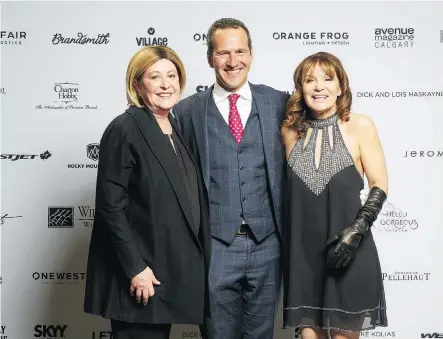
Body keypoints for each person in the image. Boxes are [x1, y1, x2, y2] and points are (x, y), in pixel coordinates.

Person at [83, 46, 211, 339]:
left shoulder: (172, 126)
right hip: (140, 276)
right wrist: (135, 268)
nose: (166, 84)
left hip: (164, 272)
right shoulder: (125, 128)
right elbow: (110, 206)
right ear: (138, 85)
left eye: (171, 75)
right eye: (155, 77)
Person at [172, 18, 289, 339]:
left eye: (240, 52)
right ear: (210, 58)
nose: (233, 61)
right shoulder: (185, 112)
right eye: (224, 53)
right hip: (214, 246)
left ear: (251, 54)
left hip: (268, 244)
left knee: (262, 334)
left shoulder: (279, 103)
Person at [281, 51, 388, 339]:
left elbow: (380, 184)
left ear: (341, 87)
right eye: (310, 80)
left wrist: (356, 232)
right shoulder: (289, 132)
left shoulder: (361, 125)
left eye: (328, 79)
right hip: (303, 258)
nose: (319, 87)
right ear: (300, 89)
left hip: (348, 252)